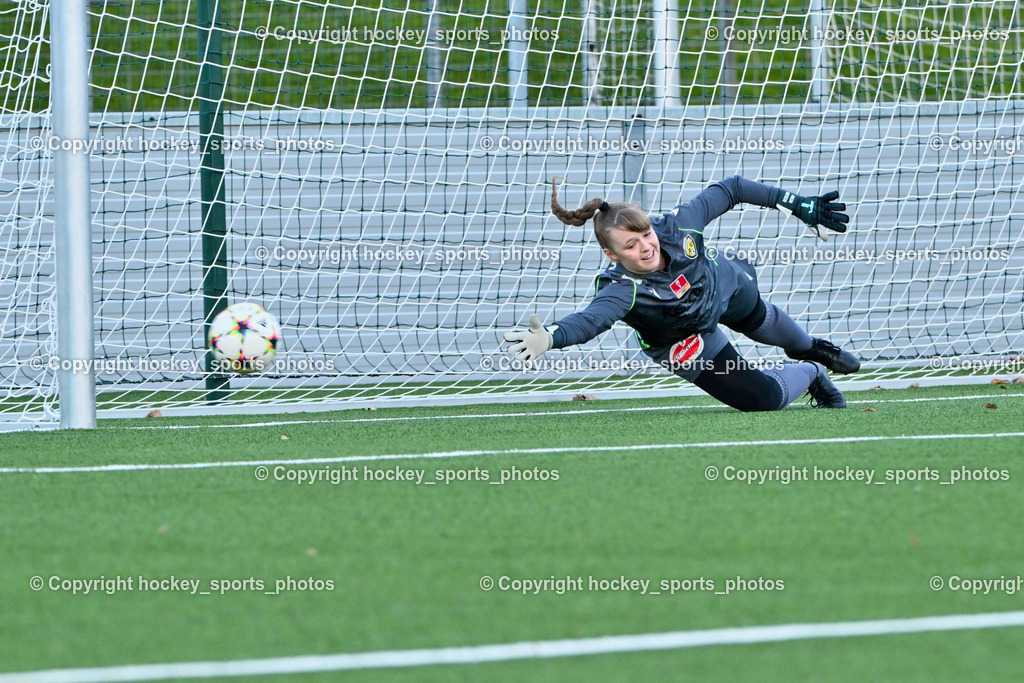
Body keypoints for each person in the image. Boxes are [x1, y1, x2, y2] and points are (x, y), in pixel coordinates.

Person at [503, 175, 859, 411]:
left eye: (645, 234)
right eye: (630, 245)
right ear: (612, 255)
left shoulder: (679, 224)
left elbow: (732, 188)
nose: (645, 246)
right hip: (684, 339)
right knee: (762, 400)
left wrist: (795, 204)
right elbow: (590, 321)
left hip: (722, 287)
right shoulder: (620, 289)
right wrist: (551, 337)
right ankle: (813, 371)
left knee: (764, 321)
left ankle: (811, 348)